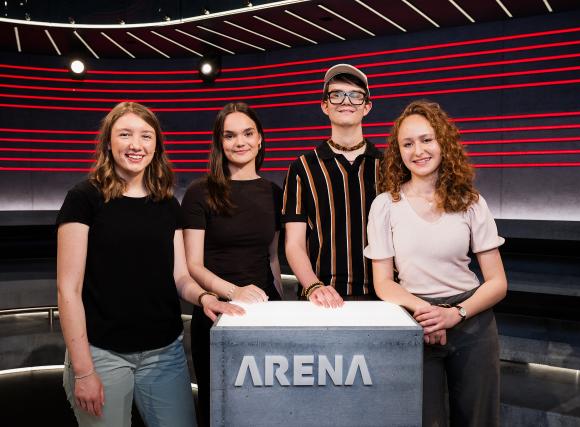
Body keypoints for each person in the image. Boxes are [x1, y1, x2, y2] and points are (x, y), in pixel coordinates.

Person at [56, 101, 244, 427]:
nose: (136, 144)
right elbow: (68, 289)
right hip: (103, 353)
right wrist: (84, 371)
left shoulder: (167, 203)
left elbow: (180, 276)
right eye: (125, 134)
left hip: (164, 354)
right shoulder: (83, 198)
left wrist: (204, 297)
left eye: (146, 136)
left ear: (156, 145)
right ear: (108, 143)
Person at [364, 100, 507, 427]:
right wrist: (428, 314)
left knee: (478, 420)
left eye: (426, 139)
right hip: (416, 321)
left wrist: (454, 314)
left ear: (443, 142)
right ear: (398, 151)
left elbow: (498, 282)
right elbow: (383, 283)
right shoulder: (385, 205)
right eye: (407, 143)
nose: (418, 151)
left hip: (472, 322)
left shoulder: (472, 202)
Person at [182, 102, 283, 425]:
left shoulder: (274, 193)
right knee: (219, 412)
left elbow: (272, 257)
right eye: (230, 135)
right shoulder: (200, 192)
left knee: (266, 410)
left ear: (260, 139)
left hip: (264, 314)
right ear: (220, 143)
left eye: (247, 133)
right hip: (216, 314)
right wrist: (233, 292)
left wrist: (281, 306)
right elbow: (193, 264)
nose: (240, 142)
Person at [282, 64, 382, 307]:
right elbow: (294, 243)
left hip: (382, 295)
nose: (346, 101)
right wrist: (313, 286)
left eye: (355, 95)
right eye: (336, 94)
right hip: (320, 297)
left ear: (367, 106)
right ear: (325, 105)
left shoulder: (390, 166)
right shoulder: (302, 167)